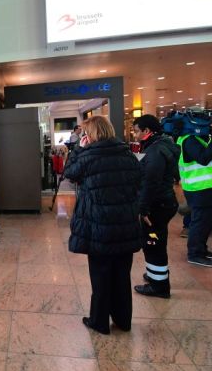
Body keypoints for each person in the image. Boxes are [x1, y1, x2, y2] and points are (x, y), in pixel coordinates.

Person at [65, 116, 142, 335]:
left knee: (100, 275)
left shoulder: (88, 155)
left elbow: (70, 174)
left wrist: (78, 150)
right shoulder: (127, 154)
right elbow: (138, 183)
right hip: (125, 224)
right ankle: (123, 320)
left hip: (99, 225)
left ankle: (99, 321)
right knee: (121, 275)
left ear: (90, 135)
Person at [132, 115, 180, 299]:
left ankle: (159, 286)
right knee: (156, 241)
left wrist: (143, 209)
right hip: (164, 202)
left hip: (156, 206)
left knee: (153, 243)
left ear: (147, 131)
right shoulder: (162, 146)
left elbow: (150, 183)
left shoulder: (155, 152)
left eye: (136, 131)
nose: (134, 134)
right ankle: (155, 275)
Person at [177, 123, 212, 268]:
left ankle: (201, 249)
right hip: (198, 188)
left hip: (207, 187)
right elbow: (203, 158)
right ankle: (195, 254)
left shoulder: (201, 139)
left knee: (207, 222)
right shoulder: (188, 140)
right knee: (199, 222)